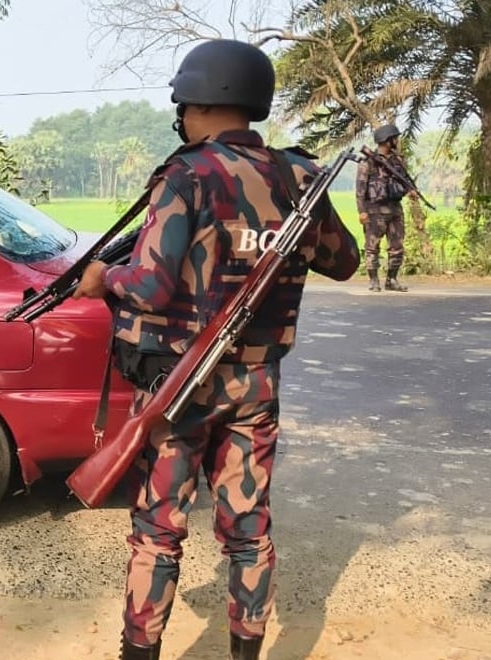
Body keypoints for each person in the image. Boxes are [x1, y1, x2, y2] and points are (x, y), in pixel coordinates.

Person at [71, 39, 360, 660]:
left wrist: (102, 278)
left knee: (158, 532)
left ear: (197, 102)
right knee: (249, 532)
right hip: (256, 383)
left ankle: (139, 651)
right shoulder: (299, 177)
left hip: (180, 386)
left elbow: (149, 286)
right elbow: (344, 262)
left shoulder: (187, 175)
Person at [356, 123, 418, 292]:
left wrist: (411, 190)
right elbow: (360, 190)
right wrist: (362, 211)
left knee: (397, 246)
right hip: (374, 211)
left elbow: (404, 179)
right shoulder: (368, 162)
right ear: (387, 140)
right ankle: (374, 281)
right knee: (372, 247)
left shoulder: (398, 160)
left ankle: (391, 280)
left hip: (395, 209)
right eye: (395, 138)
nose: (397, 141)